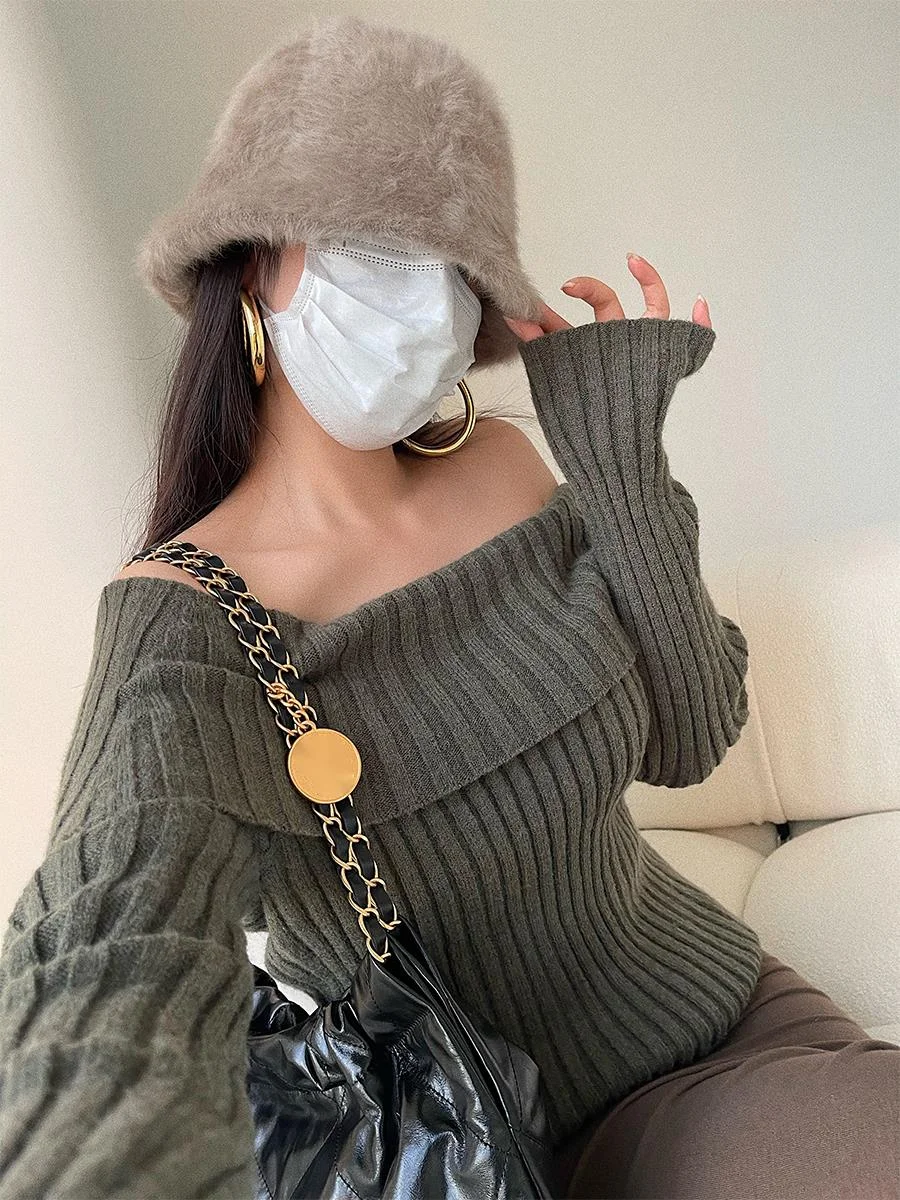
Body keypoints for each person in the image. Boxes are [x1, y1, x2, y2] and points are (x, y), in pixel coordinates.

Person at [2, 13, 897, 1200]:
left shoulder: (509, 471)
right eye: (377, 247)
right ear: (250, 264)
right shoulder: (184, 622)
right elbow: (108, 942)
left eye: (458, 270)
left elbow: (692, 736)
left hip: (733, 1025)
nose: (427, 309)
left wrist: (622, 458)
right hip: (470, 1141)